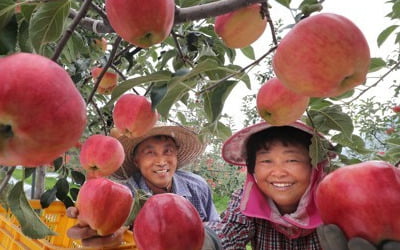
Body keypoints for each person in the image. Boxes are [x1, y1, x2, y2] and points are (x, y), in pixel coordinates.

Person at [205, 120, 400, 250]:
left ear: (314, 166)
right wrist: (206, 240)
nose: (279, 172)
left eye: (292, 160)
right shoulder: (247, 199)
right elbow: (230, 230)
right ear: (252, 169)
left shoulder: (334, 199)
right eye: (266, 161)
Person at [67, 124, 220, 248]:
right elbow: (114, 231)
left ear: (176, 156)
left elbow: (218, 228)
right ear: (136, 161)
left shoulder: (197, 186)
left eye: (168, 151)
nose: (161, 161)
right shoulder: (122, 199)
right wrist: (100, 226)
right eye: (150, 153)